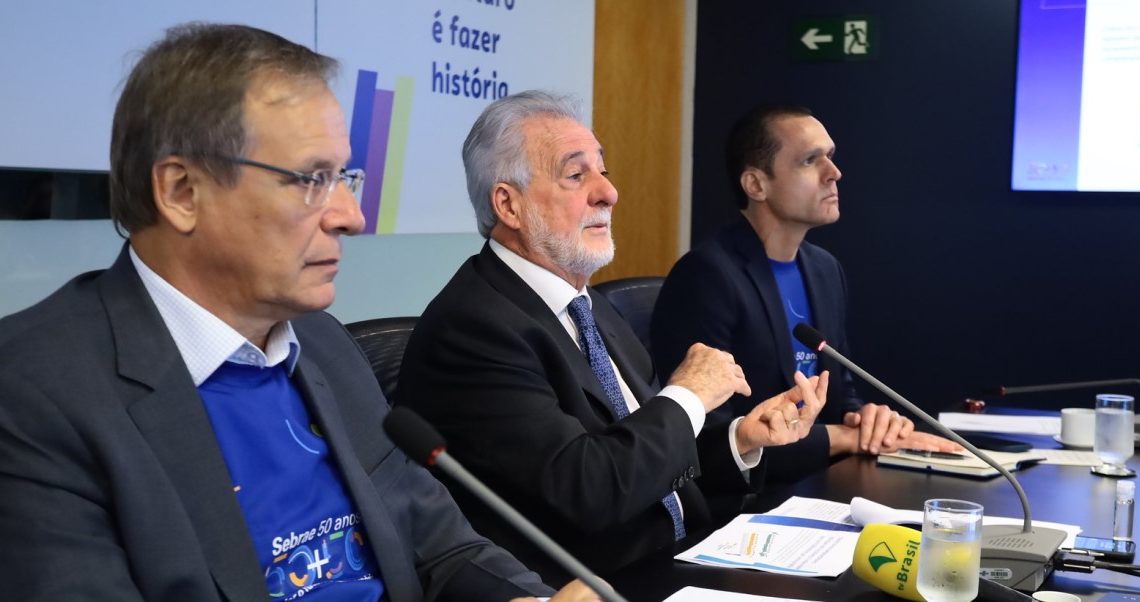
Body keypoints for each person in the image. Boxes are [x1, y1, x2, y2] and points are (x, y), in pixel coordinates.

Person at [0, 23, 594, 601]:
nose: (351, 217)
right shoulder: (35, 394)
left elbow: (442, 549)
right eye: (311, 179)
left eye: (344, 178)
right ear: (181, 192)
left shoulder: (324, 344)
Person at [396, 90, 830, 585]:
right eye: (576, 175)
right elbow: (588, 489)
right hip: (593, 585)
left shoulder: (589, 306)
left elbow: (643, 457)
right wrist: (687, 397)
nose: (608, 193)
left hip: (679, 559)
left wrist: (741, 439)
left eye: (603, 171)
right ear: (508, 205)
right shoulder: (473, 328)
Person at [651, 104, 959, 484]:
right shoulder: (707, 276)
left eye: (830, 156)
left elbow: (838, 390)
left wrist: (863, 420)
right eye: (811, 161)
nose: (834, 173)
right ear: (756, 185)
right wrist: (844, 437)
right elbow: (708, 437)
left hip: (819, 483)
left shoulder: (825, 269)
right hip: (744, 498)